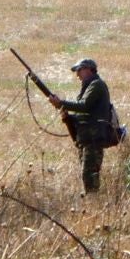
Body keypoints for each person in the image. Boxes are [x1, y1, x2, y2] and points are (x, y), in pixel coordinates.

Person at [47, 58, 114, 192]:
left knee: (89, 176)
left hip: (93, 138)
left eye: (79, 70)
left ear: (89, 69)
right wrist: (68, 117)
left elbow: (84, 106)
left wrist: (61, 103)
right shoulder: (89, 87)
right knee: (87, 175)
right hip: (87, 138)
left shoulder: (96, 85)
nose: (77, 74)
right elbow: (85, 114)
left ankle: (94, 204)